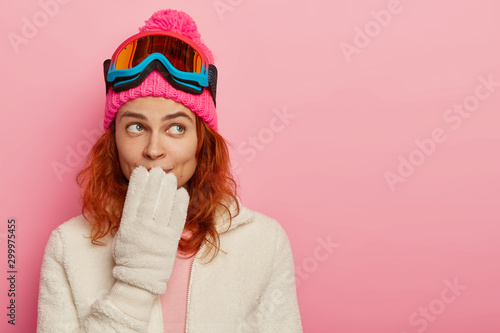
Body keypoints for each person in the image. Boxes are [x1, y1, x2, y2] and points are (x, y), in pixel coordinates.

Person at [37, 9, 302, 333]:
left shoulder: (263, 241)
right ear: (113, 139)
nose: (153, 149)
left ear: (201, 141)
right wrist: (135, 280)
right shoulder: (68, 246)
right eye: (136, 126)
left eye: (176, 128)